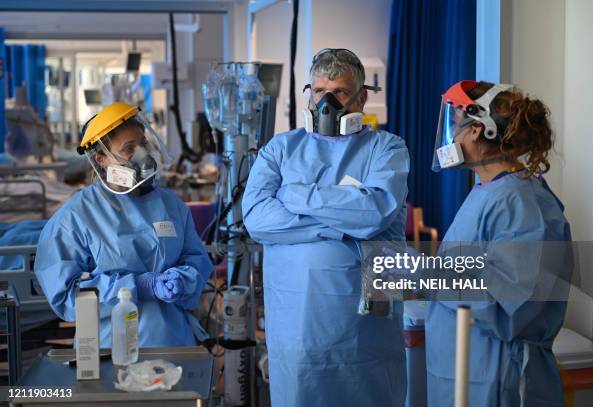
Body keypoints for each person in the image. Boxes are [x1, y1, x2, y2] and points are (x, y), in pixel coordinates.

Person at [242, 48, 410, 406]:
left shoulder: (387, 148)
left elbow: (375, 211)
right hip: (296, 323)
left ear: (362, 97)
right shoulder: (281, 148)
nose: (327, 102)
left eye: (341, 92)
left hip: (365, 324)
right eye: (319, 91)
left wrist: (296, 194)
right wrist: (338, 227)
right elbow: (257, 218)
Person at [427, 80, 572, 406]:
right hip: (470, 370)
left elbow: (510, 306)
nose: (452, 134)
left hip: (499, 377)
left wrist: (428, 276)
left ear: (476, 130)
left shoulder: (522, 203)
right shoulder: (488, 192)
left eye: (454, 124)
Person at [34, 102, 212, 347]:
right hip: (109, 349)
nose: (142, 155)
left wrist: (184, 280)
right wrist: (135, 287)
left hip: (173, 342)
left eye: (143, 144)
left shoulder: (172, 206)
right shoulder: (76, 216)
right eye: (129, 148)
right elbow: (66, 296)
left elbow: (196, 259)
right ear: (101, 159)